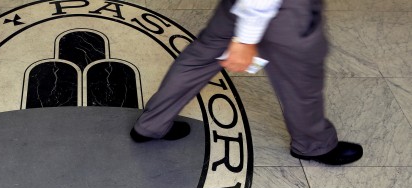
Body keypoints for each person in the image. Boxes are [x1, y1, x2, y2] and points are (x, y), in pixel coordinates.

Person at [130, 0, 363, 166]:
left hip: (237, 5)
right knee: (301, 84)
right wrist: (245, 39)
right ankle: (313, 145)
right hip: (281, 10)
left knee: (198, 59)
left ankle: (152, 123)